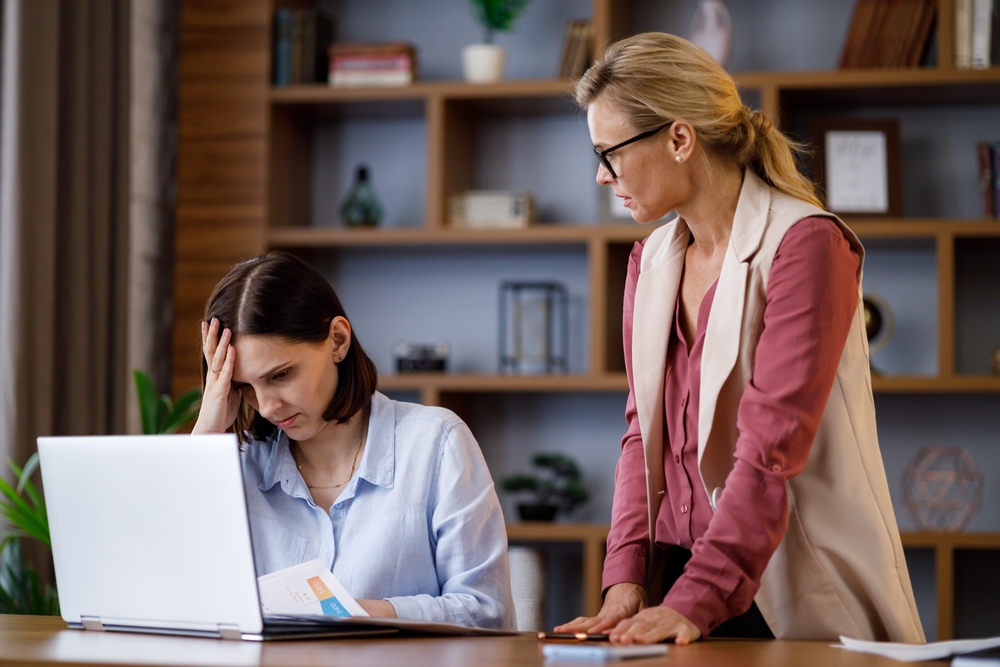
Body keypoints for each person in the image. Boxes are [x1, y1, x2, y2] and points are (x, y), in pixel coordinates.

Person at [556, 33, 925, 645]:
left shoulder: (807, 246)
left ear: (679, 139)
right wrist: (625, 578)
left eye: (609, 153)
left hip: (789, 595)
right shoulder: (649, 261)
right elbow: (642, 432)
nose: (601, 175)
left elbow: (767, 452)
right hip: (677, 585)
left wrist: (696, 602)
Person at [191, 251, 516, 630]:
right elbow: (178, 596)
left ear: (338, 340)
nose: (266, 407)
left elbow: (485, 612)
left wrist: (354, 613)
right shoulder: (236, 467)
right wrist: (206, 435)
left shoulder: (437, 444)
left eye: (280, 375)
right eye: (245, 386)